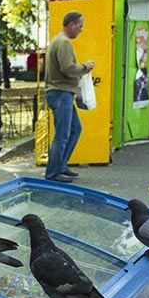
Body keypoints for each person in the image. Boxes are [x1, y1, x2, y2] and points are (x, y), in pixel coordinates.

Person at [42, 11, 95, 183]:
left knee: (75, 128)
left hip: (60, 92)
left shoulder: (57, 41)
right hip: (61, 92)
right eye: (80, 26)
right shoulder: (63, 42)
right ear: (71, 24)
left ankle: (61, 165)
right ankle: (52, 173)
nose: (81, 30)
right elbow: (67, 68)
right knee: (62, 134)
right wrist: (84, 67)